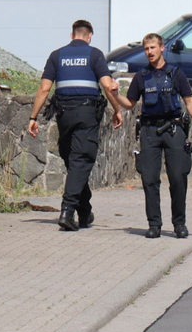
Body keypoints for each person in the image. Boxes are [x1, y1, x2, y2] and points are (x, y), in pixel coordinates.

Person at [107, 32, 192, 239]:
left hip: (174, 130)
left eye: (152, 48)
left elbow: (189, 102)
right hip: (150, 131)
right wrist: (116, 95)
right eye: (146, 49)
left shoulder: (176, 74)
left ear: (162, 48)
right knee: (150, 179)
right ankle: (154, 224)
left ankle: (179, 224)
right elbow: (129, 104)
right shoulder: (141, 76)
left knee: (178, 177)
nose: (149, 52)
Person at [28, 20, 123, 231]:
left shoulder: (57, 55)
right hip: (87, 113)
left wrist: (33, 117)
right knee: (81, 160)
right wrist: (117, 110)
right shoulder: (94, 54)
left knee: (74, 162)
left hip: (64, 114)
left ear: (72, 35)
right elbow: (108, 86)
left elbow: (44, 90)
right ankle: (67, 211)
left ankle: (84, 211)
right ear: (90, 36)